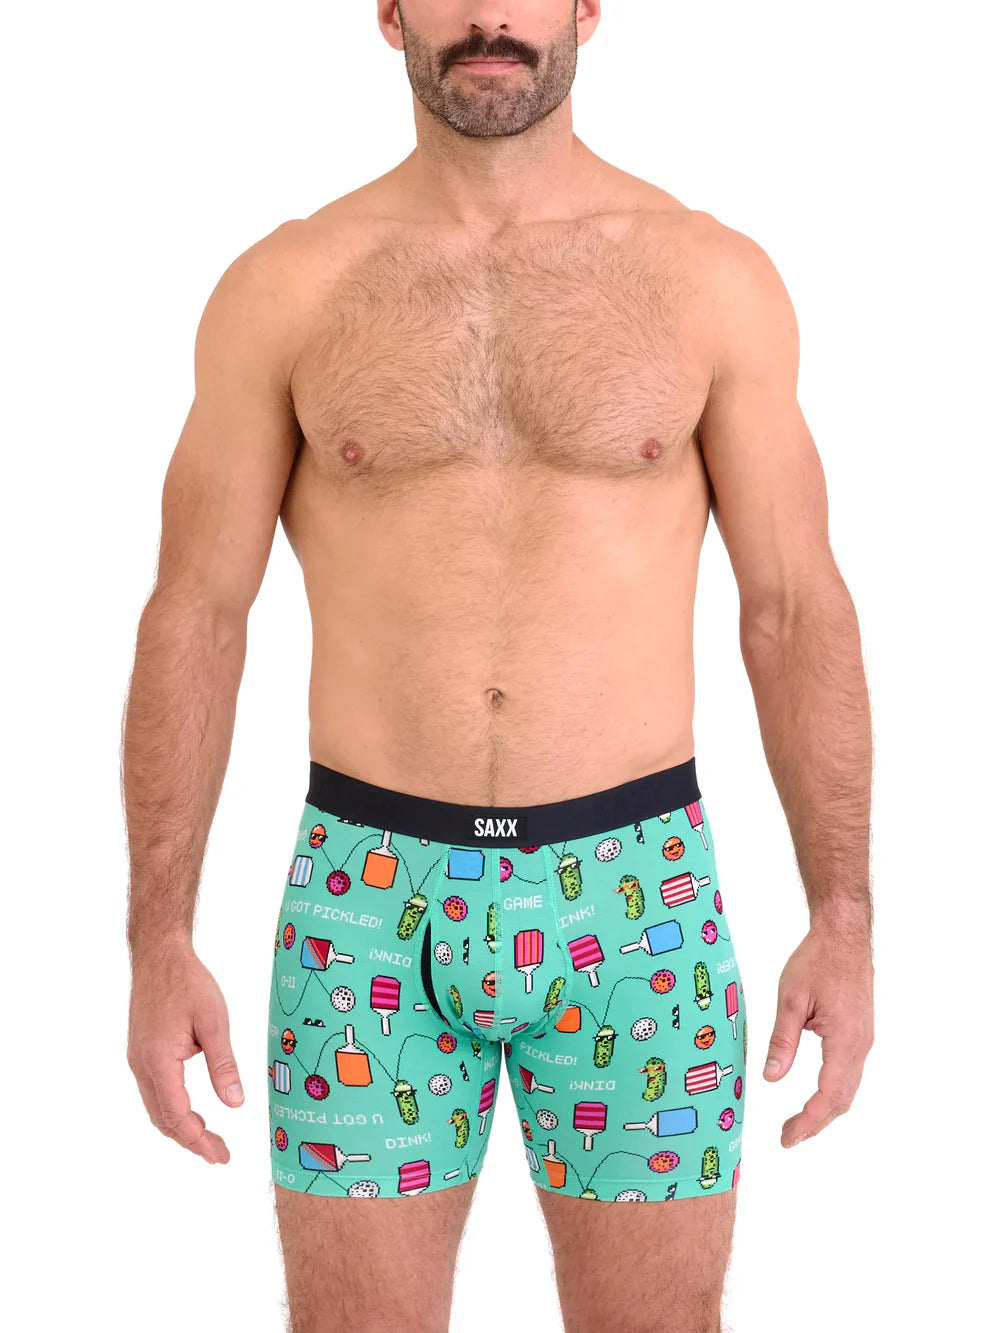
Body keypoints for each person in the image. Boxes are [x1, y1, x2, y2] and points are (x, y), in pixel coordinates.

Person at [122, 3, 875, 1330]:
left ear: (587, 7)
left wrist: (846, 916)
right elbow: (198, 614)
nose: (488, 15)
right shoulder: (287, 288)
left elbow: (794, 607)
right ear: (388, 12)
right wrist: (157, 937)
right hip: (368, 896)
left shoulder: (709, 279)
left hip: (636, 893)